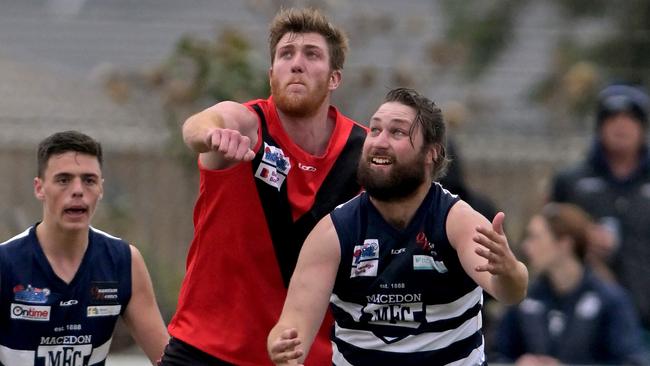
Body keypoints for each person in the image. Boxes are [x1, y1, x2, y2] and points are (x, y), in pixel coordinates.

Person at [161, 7, 367, 366]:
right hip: (208, 352)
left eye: (311, 54)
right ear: (271, 74)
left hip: (305, 358)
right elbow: (198, 125)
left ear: (335, 78)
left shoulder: (363, 153)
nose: (296, 63)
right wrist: (212, 134)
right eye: (286, 54)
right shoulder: (247, 125)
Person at [267, 88, 528, 365]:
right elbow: (292, 327)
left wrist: (508, 271)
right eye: (375, 130)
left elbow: (510, 292)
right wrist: (282, 347)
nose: (379, 141)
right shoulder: (334, 232)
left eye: (397, 133)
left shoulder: (457, 221)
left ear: (432, 153)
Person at [0, 131, 169, 366]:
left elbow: (167, 359)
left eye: (89, 180)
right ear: (39, 188)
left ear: (101, 188)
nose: (78, 190)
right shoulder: (5, 263)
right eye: (63, 180)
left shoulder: (124, 261)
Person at [550, 83, 650, 342]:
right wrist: (583, 236)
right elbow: (547, 237)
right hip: (587, 323)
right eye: (612, 118)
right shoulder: (572, 182)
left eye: (630, 118)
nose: (621, 126)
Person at [494, 203, 650, 365]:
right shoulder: (525, 298)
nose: (526, 246)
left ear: (565, 243)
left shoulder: (610, 300)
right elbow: (495, 355)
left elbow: (633, 361)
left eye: (535, 237)